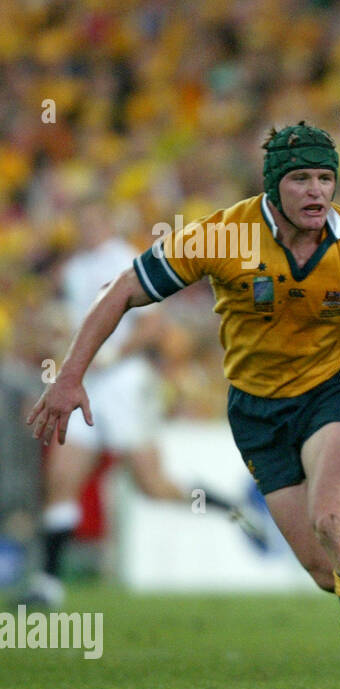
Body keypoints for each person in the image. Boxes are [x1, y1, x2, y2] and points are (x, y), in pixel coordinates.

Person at [27, 122, 340, 689]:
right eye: (301, 179)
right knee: (328, 570)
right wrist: (69, 377)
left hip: (336, 390)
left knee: (334, 520)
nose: (317, 191)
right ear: (274, 187)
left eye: (326, 178)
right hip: (256, 409)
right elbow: (122, 292)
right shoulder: (223, 235)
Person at [24, 205, 267, 609]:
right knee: (62, 477)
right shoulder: (73, 270)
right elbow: (67, 326)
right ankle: (48, 583)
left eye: (92, 221)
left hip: (123, 383)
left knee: (153, 485)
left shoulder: (125, 259)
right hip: (86, 383)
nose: (86, 229)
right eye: (81, 222)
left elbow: (153, 325)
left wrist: (113, 355)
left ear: (107, 222)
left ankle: (231, 508)